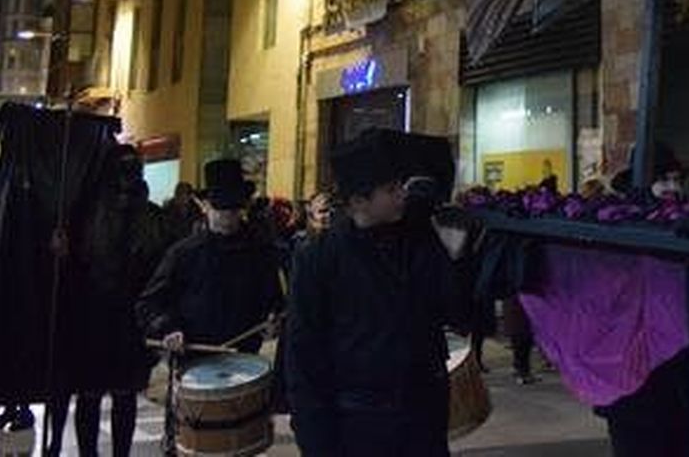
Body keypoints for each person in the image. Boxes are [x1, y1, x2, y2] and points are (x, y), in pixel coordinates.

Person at [286, 129, 475, 457]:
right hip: (358, 422)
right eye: (390, 190)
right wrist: (316, 440)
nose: (402, 194)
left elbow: (458, 313)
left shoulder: (419, 242)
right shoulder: (319, 257)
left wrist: (456, 259)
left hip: (422, 415)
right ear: (359, 201)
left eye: (400, 185)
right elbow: (304, 354)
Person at [44, 146, 174, 457]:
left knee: (123, 396)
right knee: (92, 396)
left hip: (130, 320)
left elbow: (162, 271)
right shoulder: (87, 213)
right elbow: (74, 271)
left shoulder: (152, 217)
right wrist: (62, 254)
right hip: (93, 318)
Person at [137, 158, 283, 355]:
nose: (228, 215)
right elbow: (149, 304)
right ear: (204, 206)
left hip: (243, 357)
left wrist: (272, 322)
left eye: (234, 208)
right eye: (221, 208)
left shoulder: (260, 252)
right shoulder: (183, 253)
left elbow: (274, 302)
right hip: (194, 358)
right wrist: (168, 328)